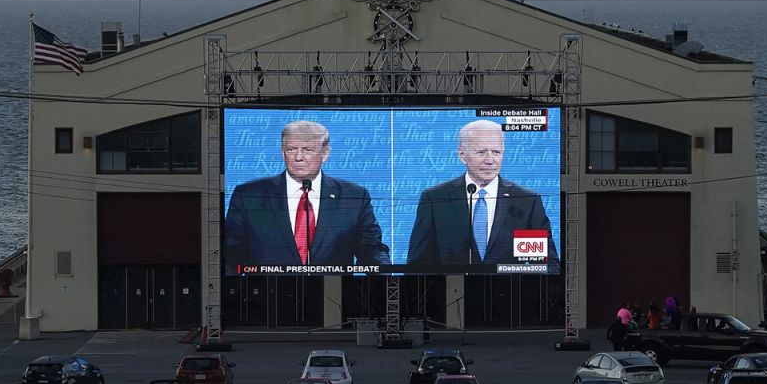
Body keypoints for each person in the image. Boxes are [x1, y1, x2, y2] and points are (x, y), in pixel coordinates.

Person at [224, 120, 391, 267]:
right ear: (282, 153)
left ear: (325, 153)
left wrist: (386, 279)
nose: (298, 157)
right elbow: (230, 255)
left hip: (334, 295)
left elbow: (371, 250)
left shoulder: (354, 196)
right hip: (267, 295)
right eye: (291, 149)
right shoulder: (248, 195)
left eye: (307, 150)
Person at [406, 119, 557, 265]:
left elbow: (545, 262)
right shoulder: (435, 199)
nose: (490, 160)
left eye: (496, 152)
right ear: (462, 155)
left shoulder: (525, 201)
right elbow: (419, 263)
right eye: (481, 152)